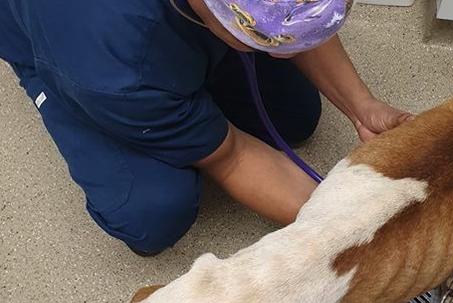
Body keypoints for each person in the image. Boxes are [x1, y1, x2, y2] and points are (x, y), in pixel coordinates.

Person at [0, 0, 412, 256]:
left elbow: (300, 11)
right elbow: (232, 158)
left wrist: (362, 107)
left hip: (157, 34)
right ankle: (51, 87)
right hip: (76, 51)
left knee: (297, 115)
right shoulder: (114, 68)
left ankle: (185, 95)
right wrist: (353, 230)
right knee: (154, 213)